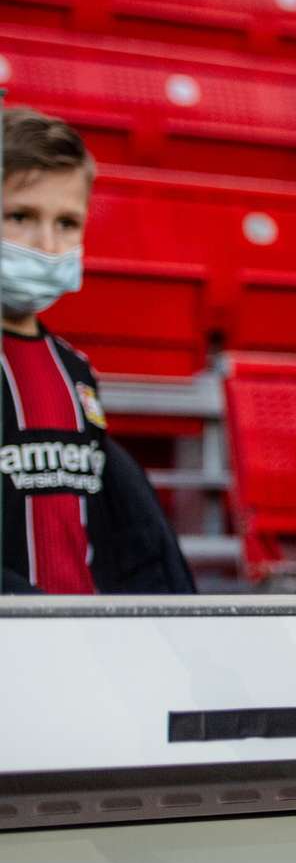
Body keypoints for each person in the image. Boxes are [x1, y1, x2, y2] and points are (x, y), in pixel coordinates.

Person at [0, 107, 193, 595]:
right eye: (21, 216)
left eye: (67, 223)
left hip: (80, 646)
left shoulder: (74, 369)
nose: (47, 244)